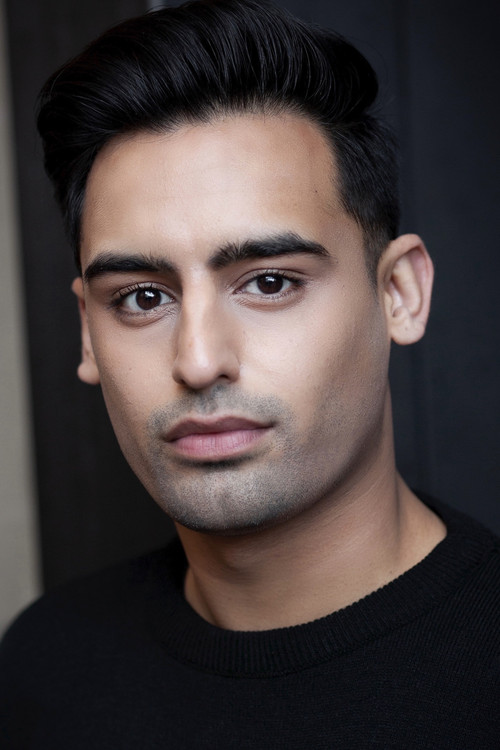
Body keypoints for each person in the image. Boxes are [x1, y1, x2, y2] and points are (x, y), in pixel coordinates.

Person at [1, 0, 499, 746]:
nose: (199, 360)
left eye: (269, 282)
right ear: (87, 333)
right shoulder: (44, 668)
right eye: (142, 298)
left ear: (399, 294)